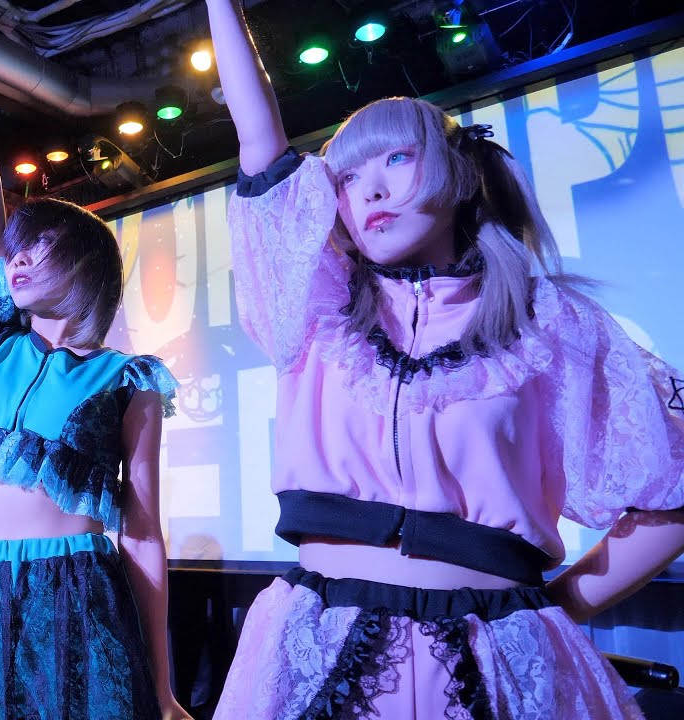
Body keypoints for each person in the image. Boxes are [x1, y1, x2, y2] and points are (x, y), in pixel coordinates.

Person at [203, 1, 684, 717]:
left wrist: (552, 610)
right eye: (346, 178)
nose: (368, 189)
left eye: (396, 158)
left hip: (496, 655)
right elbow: (260, 147)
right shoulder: (317, 307)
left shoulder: (551, 325)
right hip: (322, 642)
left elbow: (672, 490)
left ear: (458, 176)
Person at [0, 15, 191, 720]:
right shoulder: (0, 345)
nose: (16, 259)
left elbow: (143, 533)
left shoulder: (126, 379)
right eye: (14, 248)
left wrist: (162, 686)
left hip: (76, 589)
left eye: (37, 248)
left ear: (84, 266)